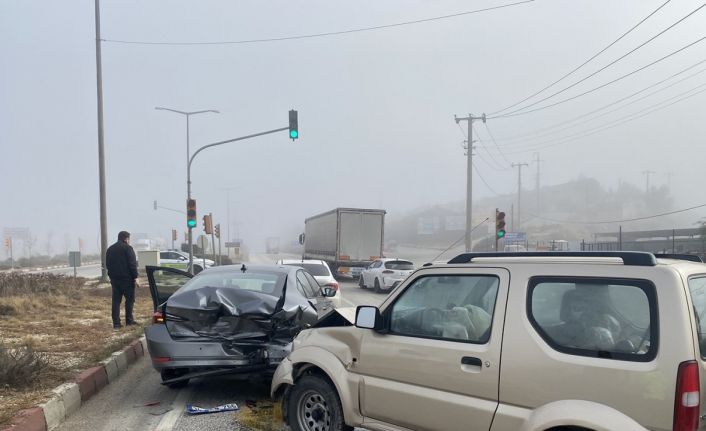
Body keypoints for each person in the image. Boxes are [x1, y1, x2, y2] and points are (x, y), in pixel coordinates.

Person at [106, 231, 140, 329]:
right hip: (127, 280)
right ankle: (129, 321)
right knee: (130, 300)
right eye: (129, 239)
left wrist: (111, 276)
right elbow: (132, 264)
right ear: (126, 239)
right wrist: (136, 277)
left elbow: (108, 265)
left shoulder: (110, 249)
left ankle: (116, 324)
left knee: (116, 301)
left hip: (115, 280)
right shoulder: (128, 248)